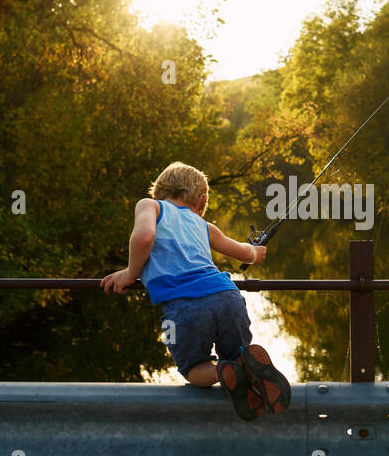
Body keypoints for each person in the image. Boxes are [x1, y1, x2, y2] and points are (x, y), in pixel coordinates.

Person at [100, 161, 291, 419]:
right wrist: (256, 253)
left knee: (192, 368)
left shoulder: (150, 206)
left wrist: (130, 273)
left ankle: (220, 372)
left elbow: (145, 236)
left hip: (183, 307)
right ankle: (244, 364)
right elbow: (243, 252)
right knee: (237, 354)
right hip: (228, 296)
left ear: (159, 192)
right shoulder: (204, 226)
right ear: (201, 200)